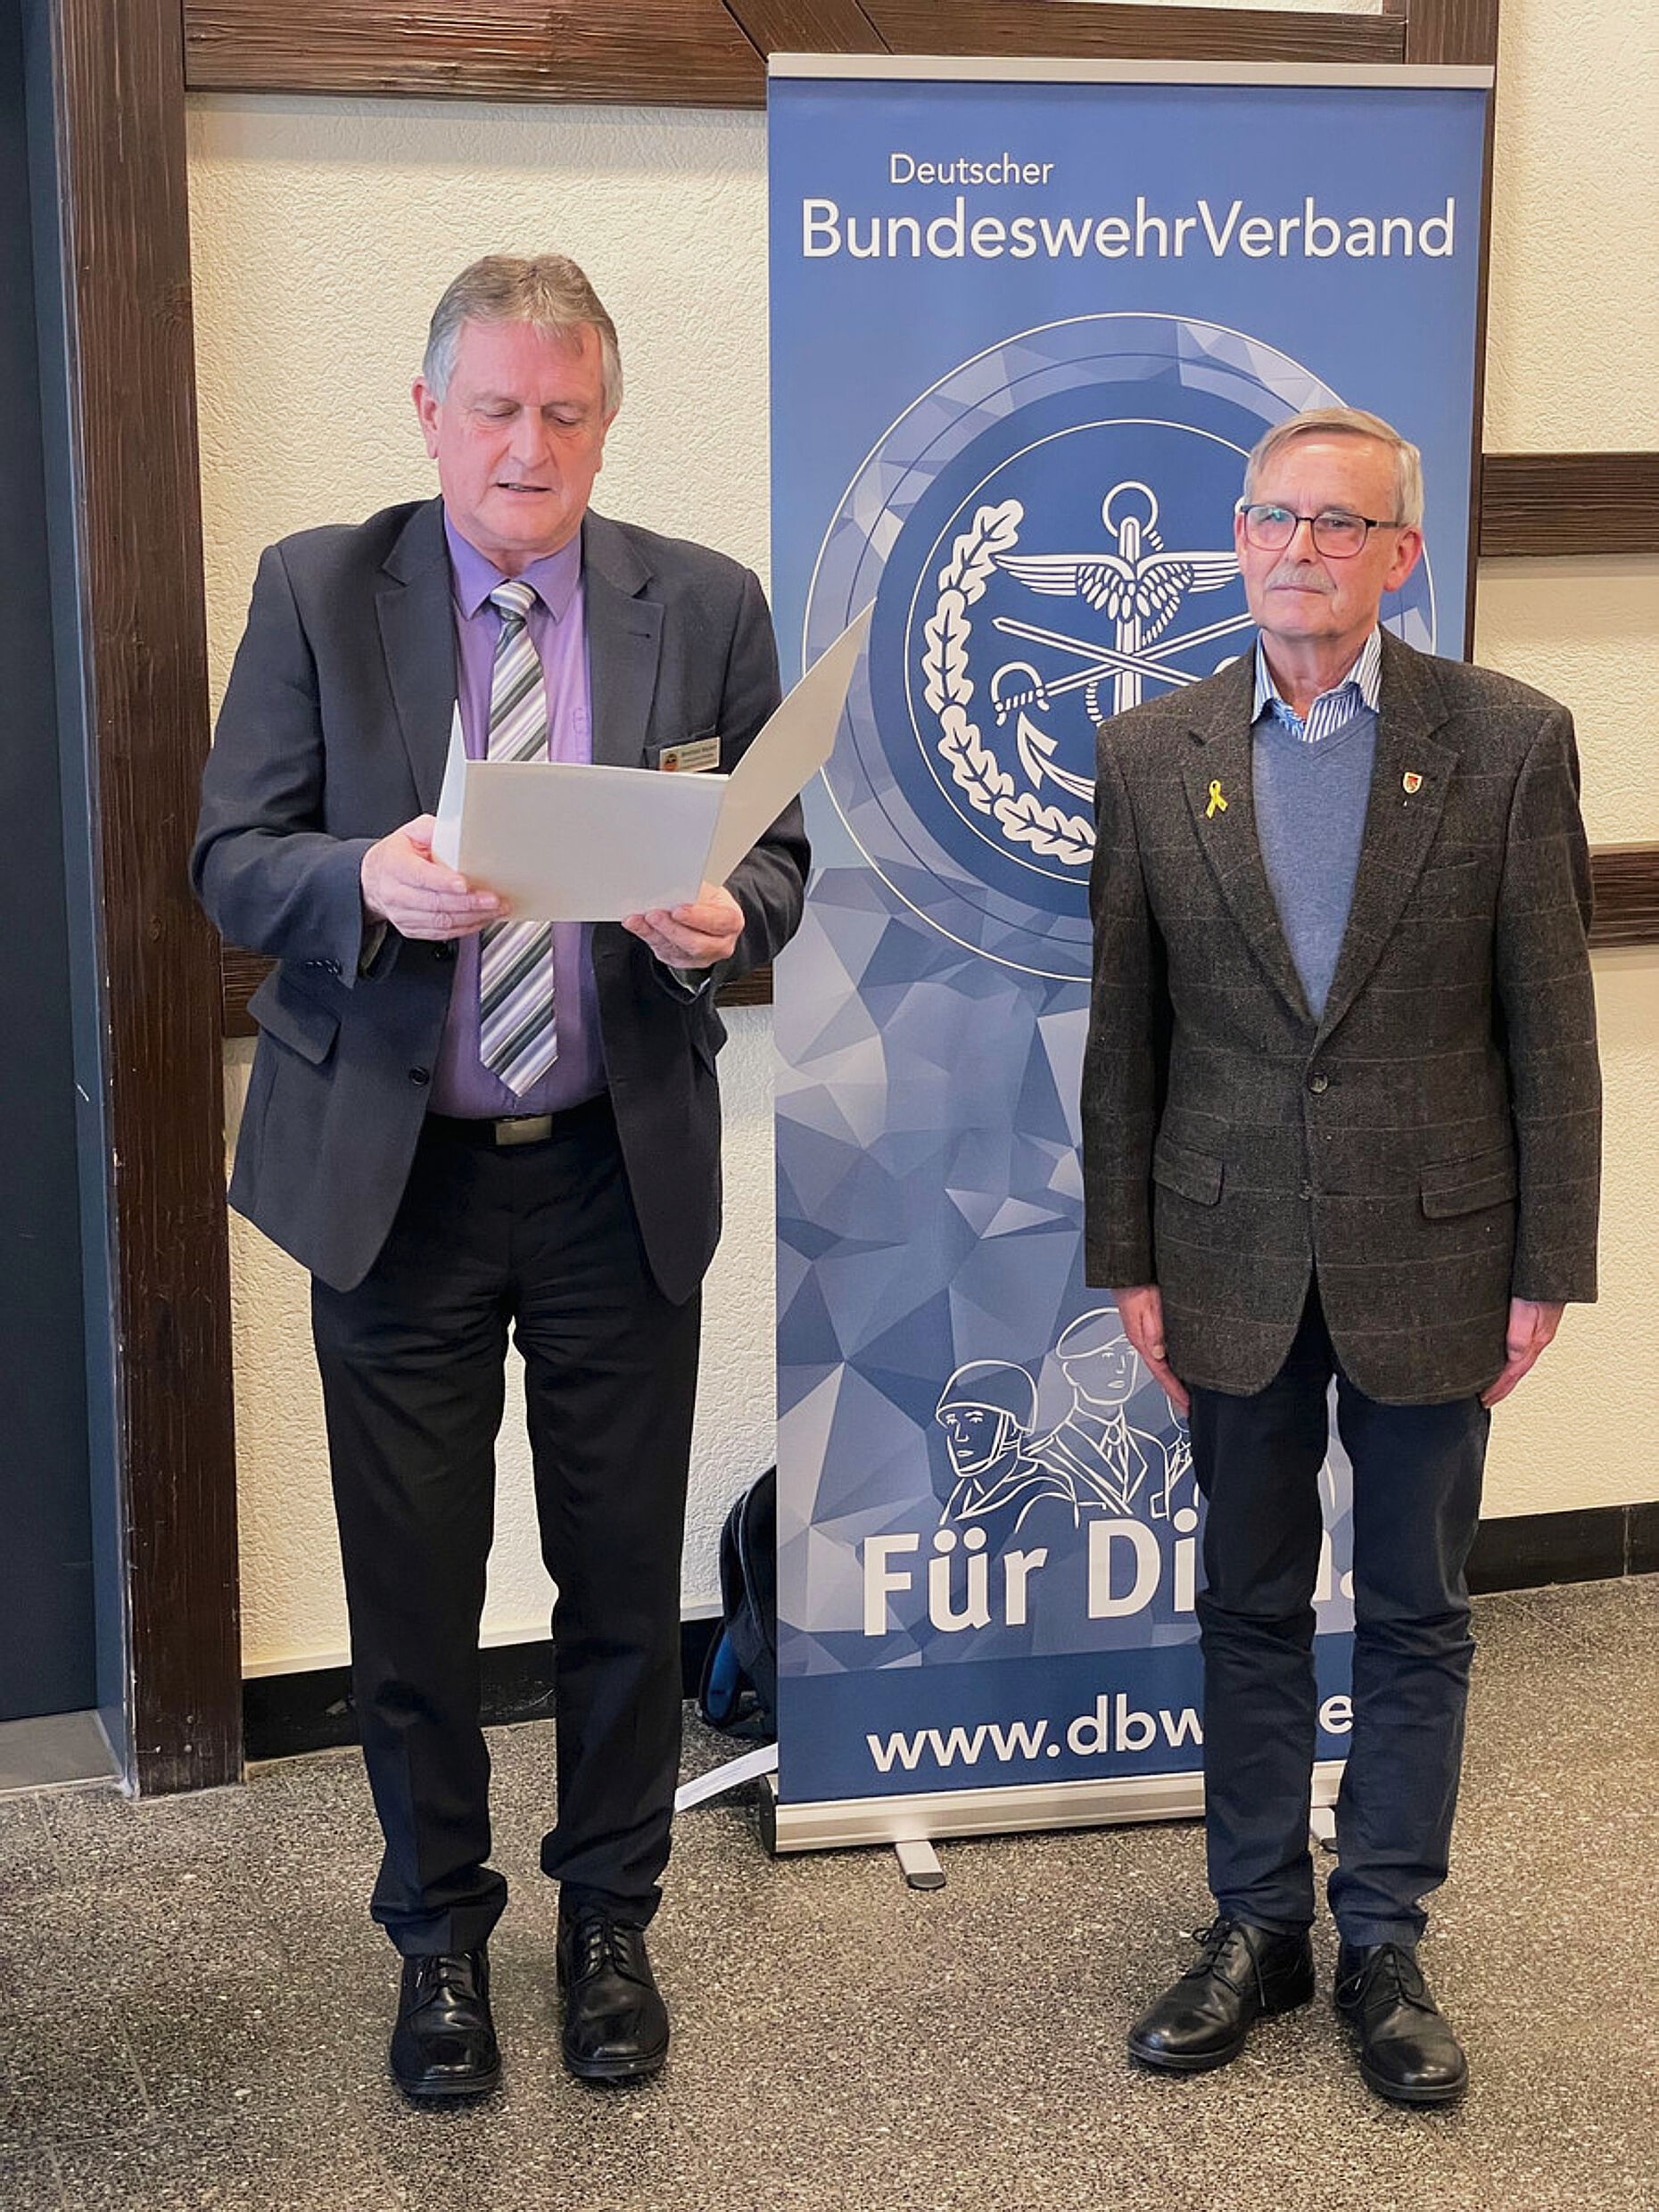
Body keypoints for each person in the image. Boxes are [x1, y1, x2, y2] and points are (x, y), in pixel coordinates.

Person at [192, 254, 808, 2101]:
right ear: (429, 414)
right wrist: (360, 883)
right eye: (493, 409)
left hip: (619, 1169)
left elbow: (781, 861)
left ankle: (610, 1919)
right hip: (402, 1186)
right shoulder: (319, 588)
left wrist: (730, 920)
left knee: (617, 1582)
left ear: (605, 422)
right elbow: (231, 857)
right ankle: (438, 1937)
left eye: (563, 411)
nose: (526, 445)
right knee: (412, 1592)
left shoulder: (705, 603)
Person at [1082, 406, 1599, 2106]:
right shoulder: (1148, 751)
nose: (1300, 550)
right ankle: (1258, 1923)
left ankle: (1382, 1934)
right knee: (1243, 1600)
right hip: (1223, 1245)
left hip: (1439, 1249)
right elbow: (1126, 1037)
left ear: (1401, 553)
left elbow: (1552, 1028)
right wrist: (1127, 1257)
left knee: (1416, 1609)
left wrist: (1547, 1261)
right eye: (1273, 519)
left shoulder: (1507, 742)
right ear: (1238, 539)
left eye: (1340, 524)